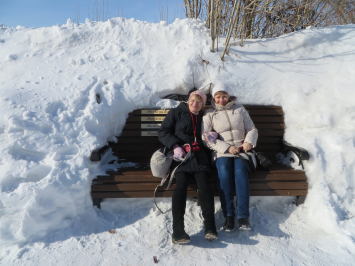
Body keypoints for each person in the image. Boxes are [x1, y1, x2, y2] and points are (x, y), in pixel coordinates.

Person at [158, 90, 218, 244]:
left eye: (199, 101)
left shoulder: (204, 117)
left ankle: (210, 227)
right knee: (181, 185)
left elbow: (212, 131)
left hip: (199, 156)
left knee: (204, 185)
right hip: (181, 155)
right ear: (188, 99)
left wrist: (213, 135)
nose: (195, 103)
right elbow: (163, 132)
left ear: (202, 105)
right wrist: (175, 145)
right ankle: (178, 230)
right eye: (193, 100)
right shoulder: (176, 112)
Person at [202, 83, 258, 231]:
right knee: (224, 174)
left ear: (229, 96)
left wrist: (248, 142)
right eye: (218, 97)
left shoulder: (239, 109)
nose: (221, 100)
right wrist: (226, 147)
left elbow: (252, 128)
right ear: (213, 98)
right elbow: (206, 137)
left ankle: (243, 216)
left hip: (241, 151)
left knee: (240, 173)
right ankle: (229, 216)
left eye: (224, 96)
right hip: (222, 152)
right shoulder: (209, 114)